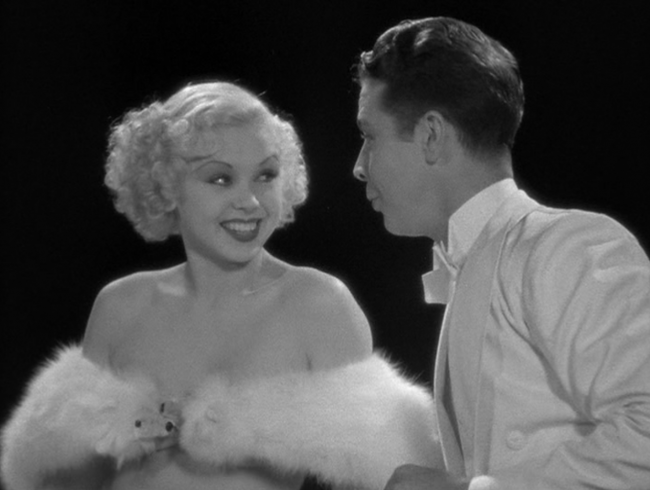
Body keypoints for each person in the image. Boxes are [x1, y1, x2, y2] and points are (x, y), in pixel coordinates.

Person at [1, 81, 442, 490]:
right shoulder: (121, 305)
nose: (249, 202)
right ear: (164, 185)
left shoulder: (318, 305)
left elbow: (393, 473)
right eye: (220, 178)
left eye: (266, 175)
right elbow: (64, 479)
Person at [352, 17, 650, 490]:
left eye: (369, 137)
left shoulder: (567, 247)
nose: (359, 166)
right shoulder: (476, 262)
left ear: (431, 135)